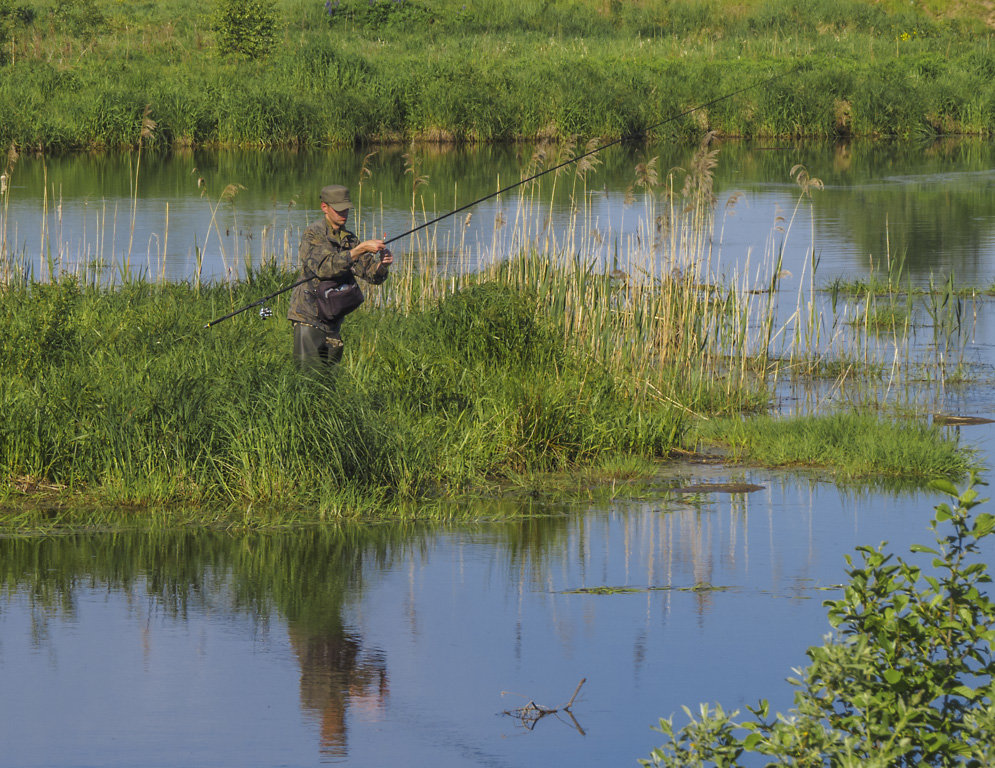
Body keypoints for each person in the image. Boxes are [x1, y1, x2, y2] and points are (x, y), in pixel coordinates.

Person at [287, 184, 394, 365]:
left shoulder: (350, 239)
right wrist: (359, 250)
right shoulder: (313, 234)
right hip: (308, 317)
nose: (343, 213)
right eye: (338, 209)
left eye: (346, 209)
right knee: (307, 380)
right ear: (325, 208)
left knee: (329, 383)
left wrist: (382, 266)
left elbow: (370, 274)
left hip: (333, 319)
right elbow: (324, 268)